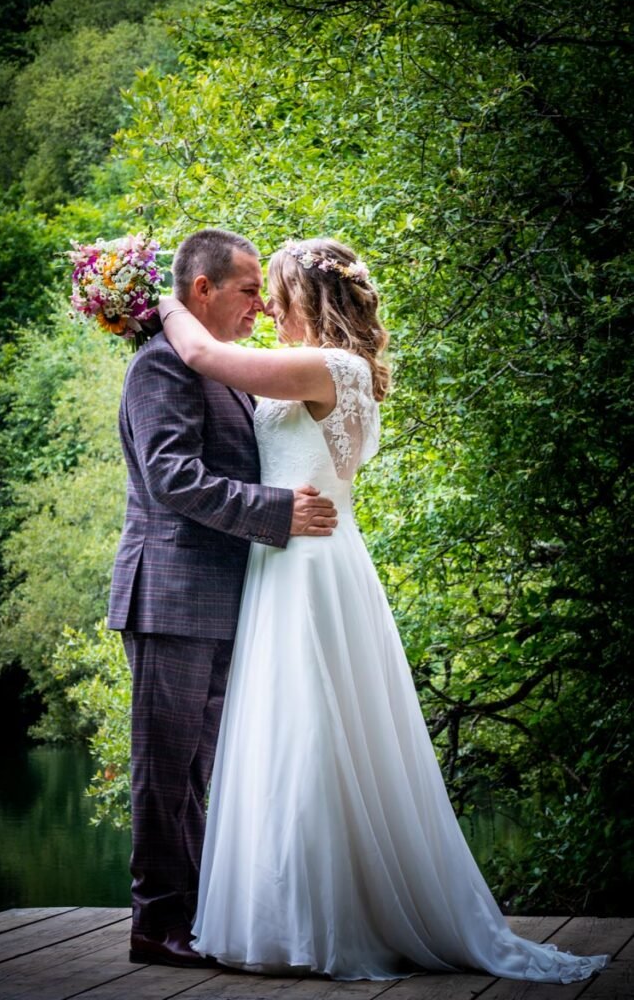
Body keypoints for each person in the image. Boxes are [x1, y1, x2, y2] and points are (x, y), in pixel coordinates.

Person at [157, 236, 610, 983]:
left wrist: (160, 301)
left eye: (276, 291)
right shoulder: (337, 369)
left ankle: (321, 925)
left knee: (309, 732)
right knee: (296, 734)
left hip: (307, 566)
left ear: (312, 299)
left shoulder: (327, 367)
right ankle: (294, 917)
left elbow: (207, 360)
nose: (267, 306)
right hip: (295, 560)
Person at [107, 229, 338, 969]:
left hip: (224, 597)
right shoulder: (159, 366)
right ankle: (155, 924)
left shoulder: (230, 371)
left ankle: (199, 916)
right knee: (164, 769)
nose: (260, 307)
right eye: (247, 290)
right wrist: (277, 511)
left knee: (205, 772)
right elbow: (173, 478)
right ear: (200, 290)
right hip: (170, 595)